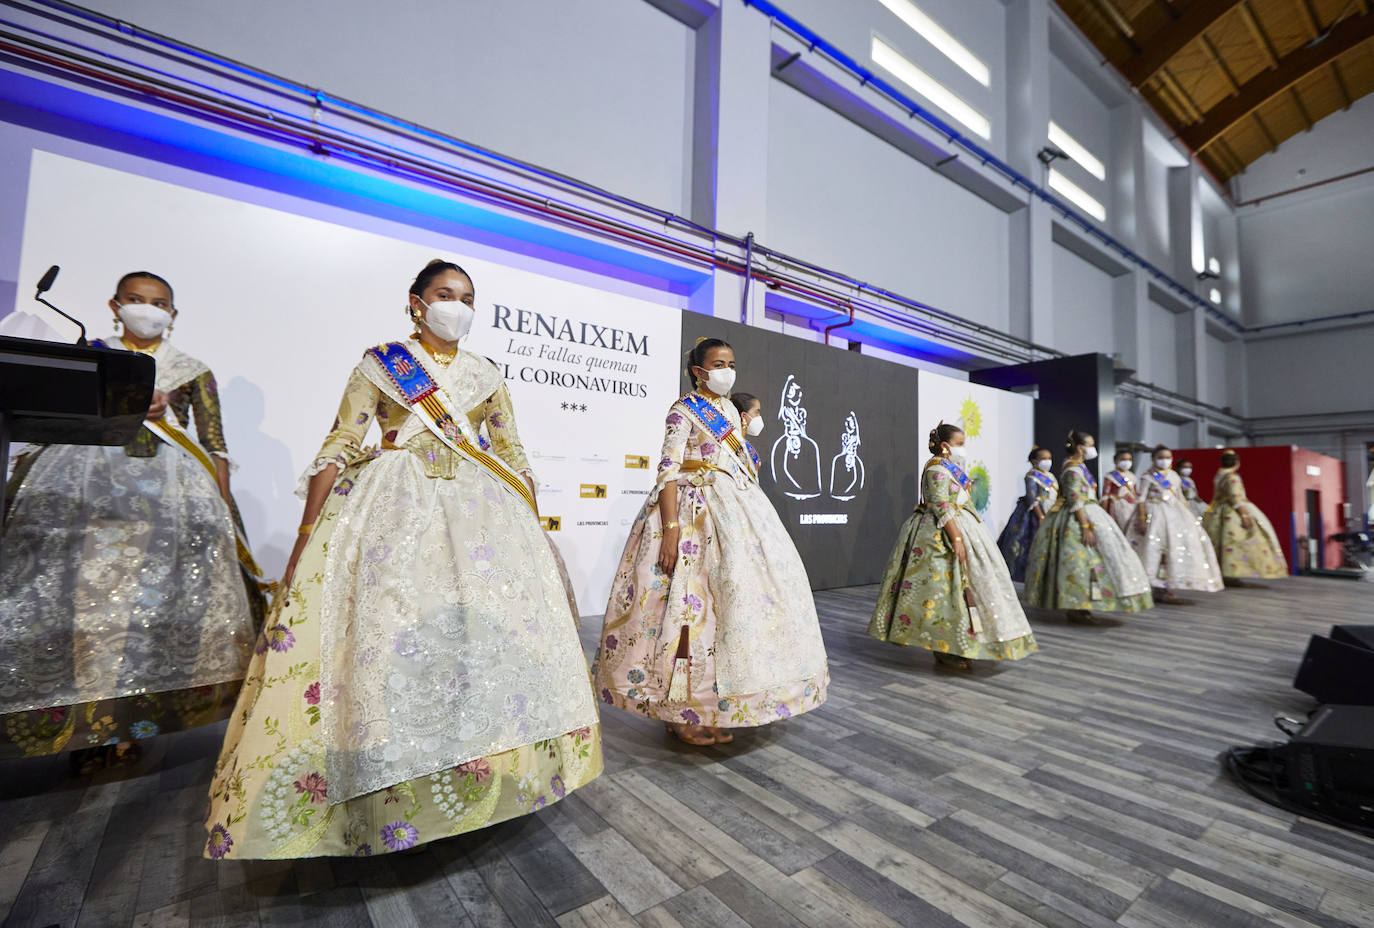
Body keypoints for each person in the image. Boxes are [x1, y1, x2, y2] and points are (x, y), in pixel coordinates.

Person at [203, 260, 601, 860]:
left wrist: (532, 526)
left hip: (481, 509)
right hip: (395, 505)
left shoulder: (486, 373)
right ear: (416, 302)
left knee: (480, 641)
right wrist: (309, 528)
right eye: (446, 295)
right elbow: (343, 440)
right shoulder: (380, 362)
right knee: (393, 640)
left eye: (468, 297)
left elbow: (510, 449)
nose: (458, 306)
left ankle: (482, 777)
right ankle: (392, 794)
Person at [0, 271, 263, 770]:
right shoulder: (88, 355)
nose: (149, 309)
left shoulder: (191, 370)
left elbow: (215, 444)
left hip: (168, 505)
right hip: (88, 500)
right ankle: (78, 730)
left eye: (160, 302)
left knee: (146, 620)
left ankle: (128, 727)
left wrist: (223, 506)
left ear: (174, 314)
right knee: (85, 614)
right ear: (114, 304)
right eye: (138, 300)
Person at [593, 339, 828, 746]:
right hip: (692, 512)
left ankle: (711, 708)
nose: (726, 370)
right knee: (686, 612)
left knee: (731, 611)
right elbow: (667, 470)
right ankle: (679, 713)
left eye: (731, 363)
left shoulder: (729, 412)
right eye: (718, 364)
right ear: (698, 370)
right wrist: (671, 530)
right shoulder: (683, 409)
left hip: (736, 510)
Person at [868, 423, 1038, 670]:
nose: (963, 448)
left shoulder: (949, 469)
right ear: (946, 446)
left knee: (964, 589)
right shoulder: (936, 469)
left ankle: (967, 643)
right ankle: (945, 647)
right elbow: (941, 505)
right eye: (959, 443)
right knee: (942, 591)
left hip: (962, 526)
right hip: (940, 535)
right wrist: (957, 539)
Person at [1024, 431, 1154, 623]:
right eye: (1090, 444)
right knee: (1081, 563)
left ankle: (1085, 605)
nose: (1093, 449)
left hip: (1091, 512)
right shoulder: (1072, 470)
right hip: (1077, 518)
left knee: (1094, 561)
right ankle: (1077, 606)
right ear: (1080, 448)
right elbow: (1075, 498)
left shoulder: (1079, 467)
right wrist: (1085, 526)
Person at [1126, 445, 1223, 602]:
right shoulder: (1147, 477)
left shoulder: (1174, 476)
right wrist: (1141, 518)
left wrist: (1189, 517)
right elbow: (1140, 499)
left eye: (1168, 457)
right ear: (1153, 459)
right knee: (1153, 550)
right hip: (1154, 514)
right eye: (1161, 457)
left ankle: (1168, 586)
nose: (1165, 461)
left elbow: (1180, 497)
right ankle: (1156, 587)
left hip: (1174, 515)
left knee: (1173, 549)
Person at [1202, 449, 1287, 582]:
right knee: (1242, 541)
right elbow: (1236, 498)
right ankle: (1233, 573)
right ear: (1236, 462)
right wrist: (1244, 515)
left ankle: (1223, 573)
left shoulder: (1219, 476)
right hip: (1232, 512)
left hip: (1218, 511)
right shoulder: (1232, 477)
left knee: (1220, 543)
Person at [996, 446, 1058, 583]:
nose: (1048, 461)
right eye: (1044, 459)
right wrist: (1041, 516)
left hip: (1050, 510)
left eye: (1049, 458)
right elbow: (1032, 497)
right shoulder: (1031, 476)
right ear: (1035, 461)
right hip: (1034, 514)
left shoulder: (1051, 476)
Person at [1100, 448, 1139, 531]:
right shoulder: (1110, 476)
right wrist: (1103, 513)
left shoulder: (1132, 476)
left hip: (1131, 507)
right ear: (1115, 461)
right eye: (1123, 459)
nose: (1127, 462)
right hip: (1117, 506)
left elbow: (1136, 494)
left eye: (1129, 459)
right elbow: (1105, 495)